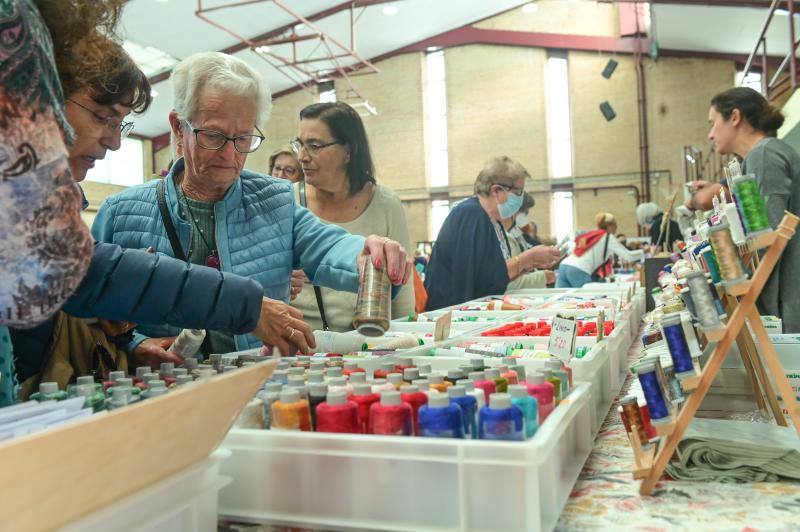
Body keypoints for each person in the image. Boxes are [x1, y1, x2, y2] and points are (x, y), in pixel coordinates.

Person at [92, 52, 412, 360]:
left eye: (243, 138)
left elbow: (330, 247)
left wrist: (367, 254)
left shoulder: (274, 201)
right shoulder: (121, 215)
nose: (230, 155)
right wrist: (135, 346)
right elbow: (94, 316)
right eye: (214, 136)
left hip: (260, 386)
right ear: (178, 127)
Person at [290, 102, 415, 330]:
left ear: (349, 150)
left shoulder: (386, 204)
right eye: (299, 145)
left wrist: (402, 342)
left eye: (314, 146)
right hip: (300, 347)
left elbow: (403, 295)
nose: (302, 157)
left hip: (366, 345)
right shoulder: (288, 202)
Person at [704, 86, 800, 332]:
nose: (710, 134)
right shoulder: (756, 158)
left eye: (713, 123)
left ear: (735, 117)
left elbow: (769, 239)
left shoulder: (764, 154)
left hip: (790, 295)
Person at [424, 156, 560, 310]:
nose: (521, 198)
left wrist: (529, 263)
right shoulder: (470, 215)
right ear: (496, 190)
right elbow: (483, 277)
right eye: (519, 192)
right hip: (449, 312)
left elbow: (498, 278)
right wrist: (528, 258)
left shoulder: (494, 222)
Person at [556, 213, 644, 288]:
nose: (616, 229)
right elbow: (628, 256)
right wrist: (643, 253)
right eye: (615, 226)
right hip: (579, 270)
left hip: (564, 266)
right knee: (586, 301)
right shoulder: (608, 237)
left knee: (559, 301)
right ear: (609, 226)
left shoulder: (590, 234)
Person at [501, 192, 553, 289]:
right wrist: (542, 277)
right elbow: (510, 281)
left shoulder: (517, 233)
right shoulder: (506, 237)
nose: (526, 216)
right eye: (525, 212)